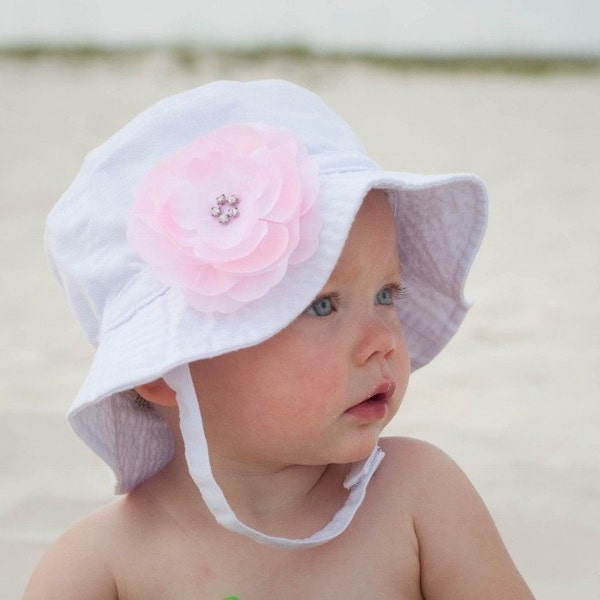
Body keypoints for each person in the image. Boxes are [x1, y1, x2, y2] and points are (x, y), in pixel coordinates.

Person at [24, 79, 534, 599]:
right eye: (321, 305)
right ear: (163, 369)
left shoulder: (417, 497)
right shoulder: (101, 567)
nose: (382, 341)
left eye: (387, 294)